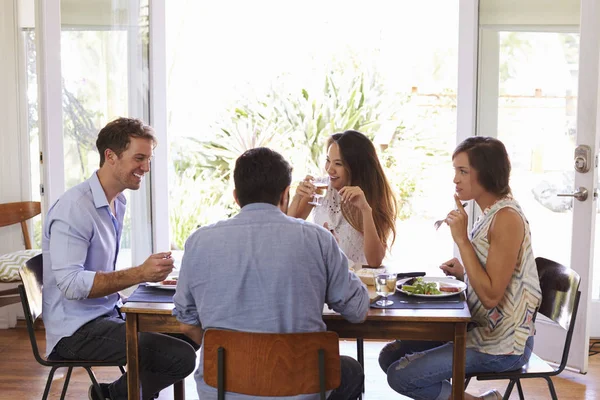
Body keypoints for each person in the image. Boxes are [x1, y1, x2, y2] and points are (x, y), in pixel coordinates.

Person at [173, 147, 369, 400]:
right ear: (285, 195)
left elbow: (187, 324)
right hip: (302, 389)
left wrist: (239, 357)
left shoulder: (199, 241)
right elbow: (358, 310)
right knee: (349, 370)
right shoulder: (318, 239)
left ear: (236, 196)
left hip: (223, 388)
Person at [42, 117, 197, 400]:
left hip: (106, 314)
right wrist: (140, 273)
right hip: (74, 332)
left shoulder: (117, 201)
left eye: (148, 159)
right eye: (139, 158)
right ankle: (112, 397)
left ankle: (115, 395)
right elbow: (71, 285)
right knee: (180, 356)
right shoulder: (74, 208)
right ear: (110, 157)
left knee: (190, 332)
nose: (146, 168)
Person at [378, 137, 542, 400]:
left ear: (486, 173)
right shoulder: (490, 212)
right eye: (455, 171)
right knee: (391, 355)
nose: (455, 179)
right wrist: (463, 273)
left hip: (503, 344)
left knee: (401, 374)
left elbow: (490, 297)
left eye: (463, 171)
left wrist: (462, 240)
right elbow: (495, 279)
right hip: (480, 329)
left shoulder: (507, 218)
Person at [287, 130, 397, 267]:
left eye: (338, 164)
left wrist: (365, 210)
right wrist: (297, 197)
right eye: (328, 161)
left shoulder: (375, 195)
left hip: (357, 282)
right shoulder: (320, 188)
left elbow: (374, 262)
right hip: (322, 278)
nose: (329, 169)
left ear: (356, 166)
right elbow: (286, 233)